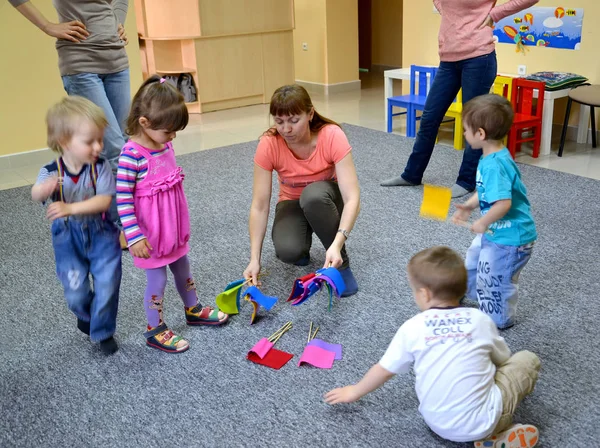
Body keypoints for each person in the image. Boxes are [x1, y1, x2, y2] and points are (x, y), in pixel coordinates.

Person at [325, 246, 541, 447]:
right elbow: (503, 358)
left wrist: (354, 391)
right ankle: (493, 436)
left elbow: (384, 369)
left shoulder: (412, 328)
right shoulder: (480, 320)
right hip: (483, 421)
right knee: (526, 360)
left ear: (425, 294)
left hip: (436, 422)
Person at [381, 0, 539, 198]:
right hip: (448, 59)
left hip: (479, 58)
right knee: (429, 118)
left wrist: (495, 14)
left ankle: (466, 180)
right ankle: (411, 174)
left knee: (473, 123)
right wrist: (447, 13)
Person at [117, 75, 228, 354]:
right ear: (144, 123)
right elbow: (123, 201)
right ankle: (155, 328)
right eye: (169, 131)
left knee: (184, 270)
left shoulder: (164, 144)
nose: (173, 136)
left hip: (173, 228)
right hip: (150, 235)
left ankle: (193, 309)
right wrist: (134, 237)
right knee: (158, 280)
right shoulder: (132, 155)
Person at [10, 0, 131, 242]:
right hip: (80, 63)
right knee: (115, 148)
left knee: (125, 144)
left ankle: (106, 215)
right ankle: (120, 226)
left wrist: (117, 19)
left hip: (117, 60)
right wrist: (47, 26)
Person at [243, 85, 360, 296]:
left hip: (326, 199)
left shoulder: (332, 135)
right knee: (288, 251)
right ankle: (302, 244)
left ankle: (340, 264)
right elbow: (259, 206)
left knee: (313, 196)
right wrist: (254, 259)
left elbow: (352, 198)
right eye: (279, 122)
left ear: (310, 114)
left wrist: (338, 242)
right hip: (292, 201)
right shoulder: (269, 144)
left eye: (294, 121)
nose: (286, 129)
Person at [31, 96, 122, 355]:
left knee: (107, 283)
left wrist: (70, 207)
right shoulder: (51, 169)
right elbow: (35, 194)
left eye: (100, 140)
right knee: (75, 291)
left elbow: (104, 201)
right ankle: (87, 314)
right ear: (64, 142)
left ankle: (104, 331)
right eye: (89, 141)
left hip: (101, 233)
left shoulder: (101, 168)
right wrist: (42, 190)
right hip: (67, 238)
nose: (98, 147)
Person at [452, 94, 536, 329]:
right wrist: (470, 205)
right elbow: (490, 192)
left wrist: (482, 222)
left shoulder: (494, 165)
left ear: (480, 134)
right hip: (495, 230)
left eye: (466, 130)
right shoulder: (493, 155)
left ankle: (499, 318)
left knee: (496, 278)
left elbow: (503, 203)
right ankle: (468, 292)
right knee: (473, 260)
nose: (464, 134)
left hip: (511, 238)